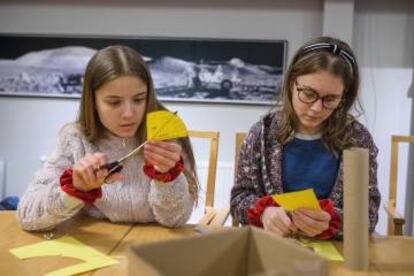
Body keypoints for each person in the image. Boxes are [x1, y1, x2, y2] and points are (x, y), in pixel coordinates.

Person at [17, 45, 199, 231]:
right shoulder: (75, 139)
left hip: (152, 248)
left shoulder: (165, 134)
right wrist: (75, 189)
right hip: (96, 250)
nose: (129, 113)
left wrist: (166, 178)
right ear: (93, 100)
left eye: (138, 99)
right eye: (114, 102)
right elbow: (27, 216)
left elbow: (175, 221)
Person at [230, 37, 380, 240]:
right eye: (309, 94)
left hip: (332, 252)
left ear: (344, 96)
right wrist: (264, 213)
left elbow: (368, 216)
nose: (317, 108)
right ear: (292, 82)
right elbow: (238, 201)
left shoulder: (357, 139)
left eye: (330, 99)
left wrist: (333, 222)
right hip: (273, 248)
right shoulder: (262, 135)